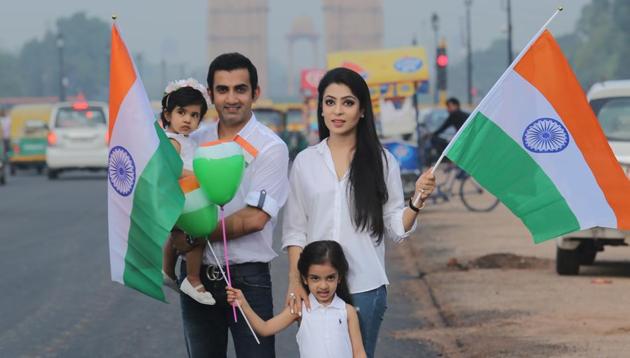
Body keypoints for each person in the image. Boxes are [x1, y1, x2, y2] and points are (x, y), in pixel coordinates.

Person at [282, 67, 436, 358]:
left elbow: (395, 227)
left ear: (362, 110)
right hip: (316, 285)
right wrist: (294, 281)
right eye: (330, 102)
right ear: (321, 108)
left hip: (366, 286)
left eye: (348, 102)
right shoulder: (304, 162)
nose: (337, 111)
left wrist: (417, 200)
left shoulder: (383, 161)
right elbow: (295, 229)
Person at [171, 52, 289, 358]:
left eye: (240, 89)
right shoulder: (193, 140)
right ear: (210, 95)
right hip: (197, 277)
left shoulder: (271, 147)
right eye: (222, 90)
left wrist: (193, 236)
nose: (231, 98)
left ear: (255, 93)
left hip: (248, 277)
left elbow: (254, 219)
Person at [226, 241, 367, 358]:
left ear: (339, 277)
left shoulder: (347, 311)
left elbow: (359, 353)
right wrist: (243, 303)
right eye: (315, 278)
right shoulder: (300, 309)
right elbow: (265, 328)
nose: (323, 285)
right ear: (305, 279)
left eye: (330, 277)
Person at [159, 79, 216, 305]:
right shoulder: (172, 141)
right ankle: (192, 279)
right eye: (181, 112)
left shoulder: (183, 139)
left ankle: (167, 270)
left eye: (194, 116)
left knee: (177, 238)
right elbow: (170, 170)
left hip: (182, 197)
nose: (187, 120)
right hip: (182, 198)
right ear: (167, 115)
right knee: (198, 236)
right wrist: (197, 176)